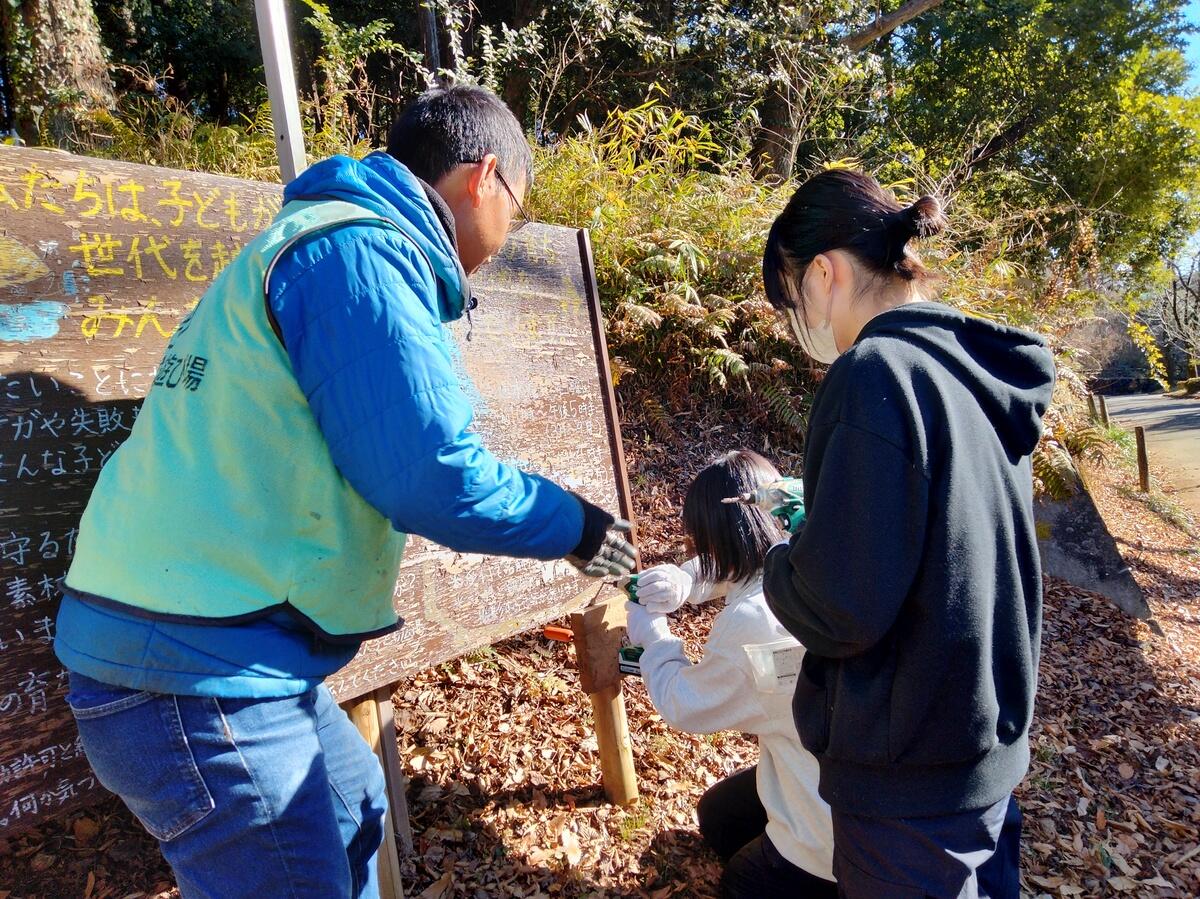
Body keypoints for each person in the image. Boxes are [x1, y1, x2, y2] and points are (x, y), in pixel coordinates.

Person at [54, 85, 635, 898]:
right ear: (485, 176)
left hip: (219, 645)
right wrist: (579, 525)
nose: (509, 238)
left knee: (357, 803)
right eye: (519, 209)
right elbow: (431, 477)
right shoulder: (358, 252)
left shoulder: (323, 239)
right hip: (192, 671)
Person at [758, 169, 1054, 898]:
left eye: (793, 296)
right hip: (983, 752)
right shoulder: (974, 371)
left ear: (823, 273)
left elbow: (840, 605)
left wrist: (777, 560)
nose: (802, 320)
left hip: (907, 782)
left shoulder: (871, 373)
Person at [625, 450, 837, 899]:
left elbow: (686, 703)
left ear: (710, 535)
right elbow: (746, 563)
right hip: (846, 767)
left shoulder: (754, 622)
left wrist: (654, 640)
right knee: (721, 816)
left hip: (839, 831)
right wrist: (685, 581)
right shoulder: (816, 553)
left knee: (744, 882)